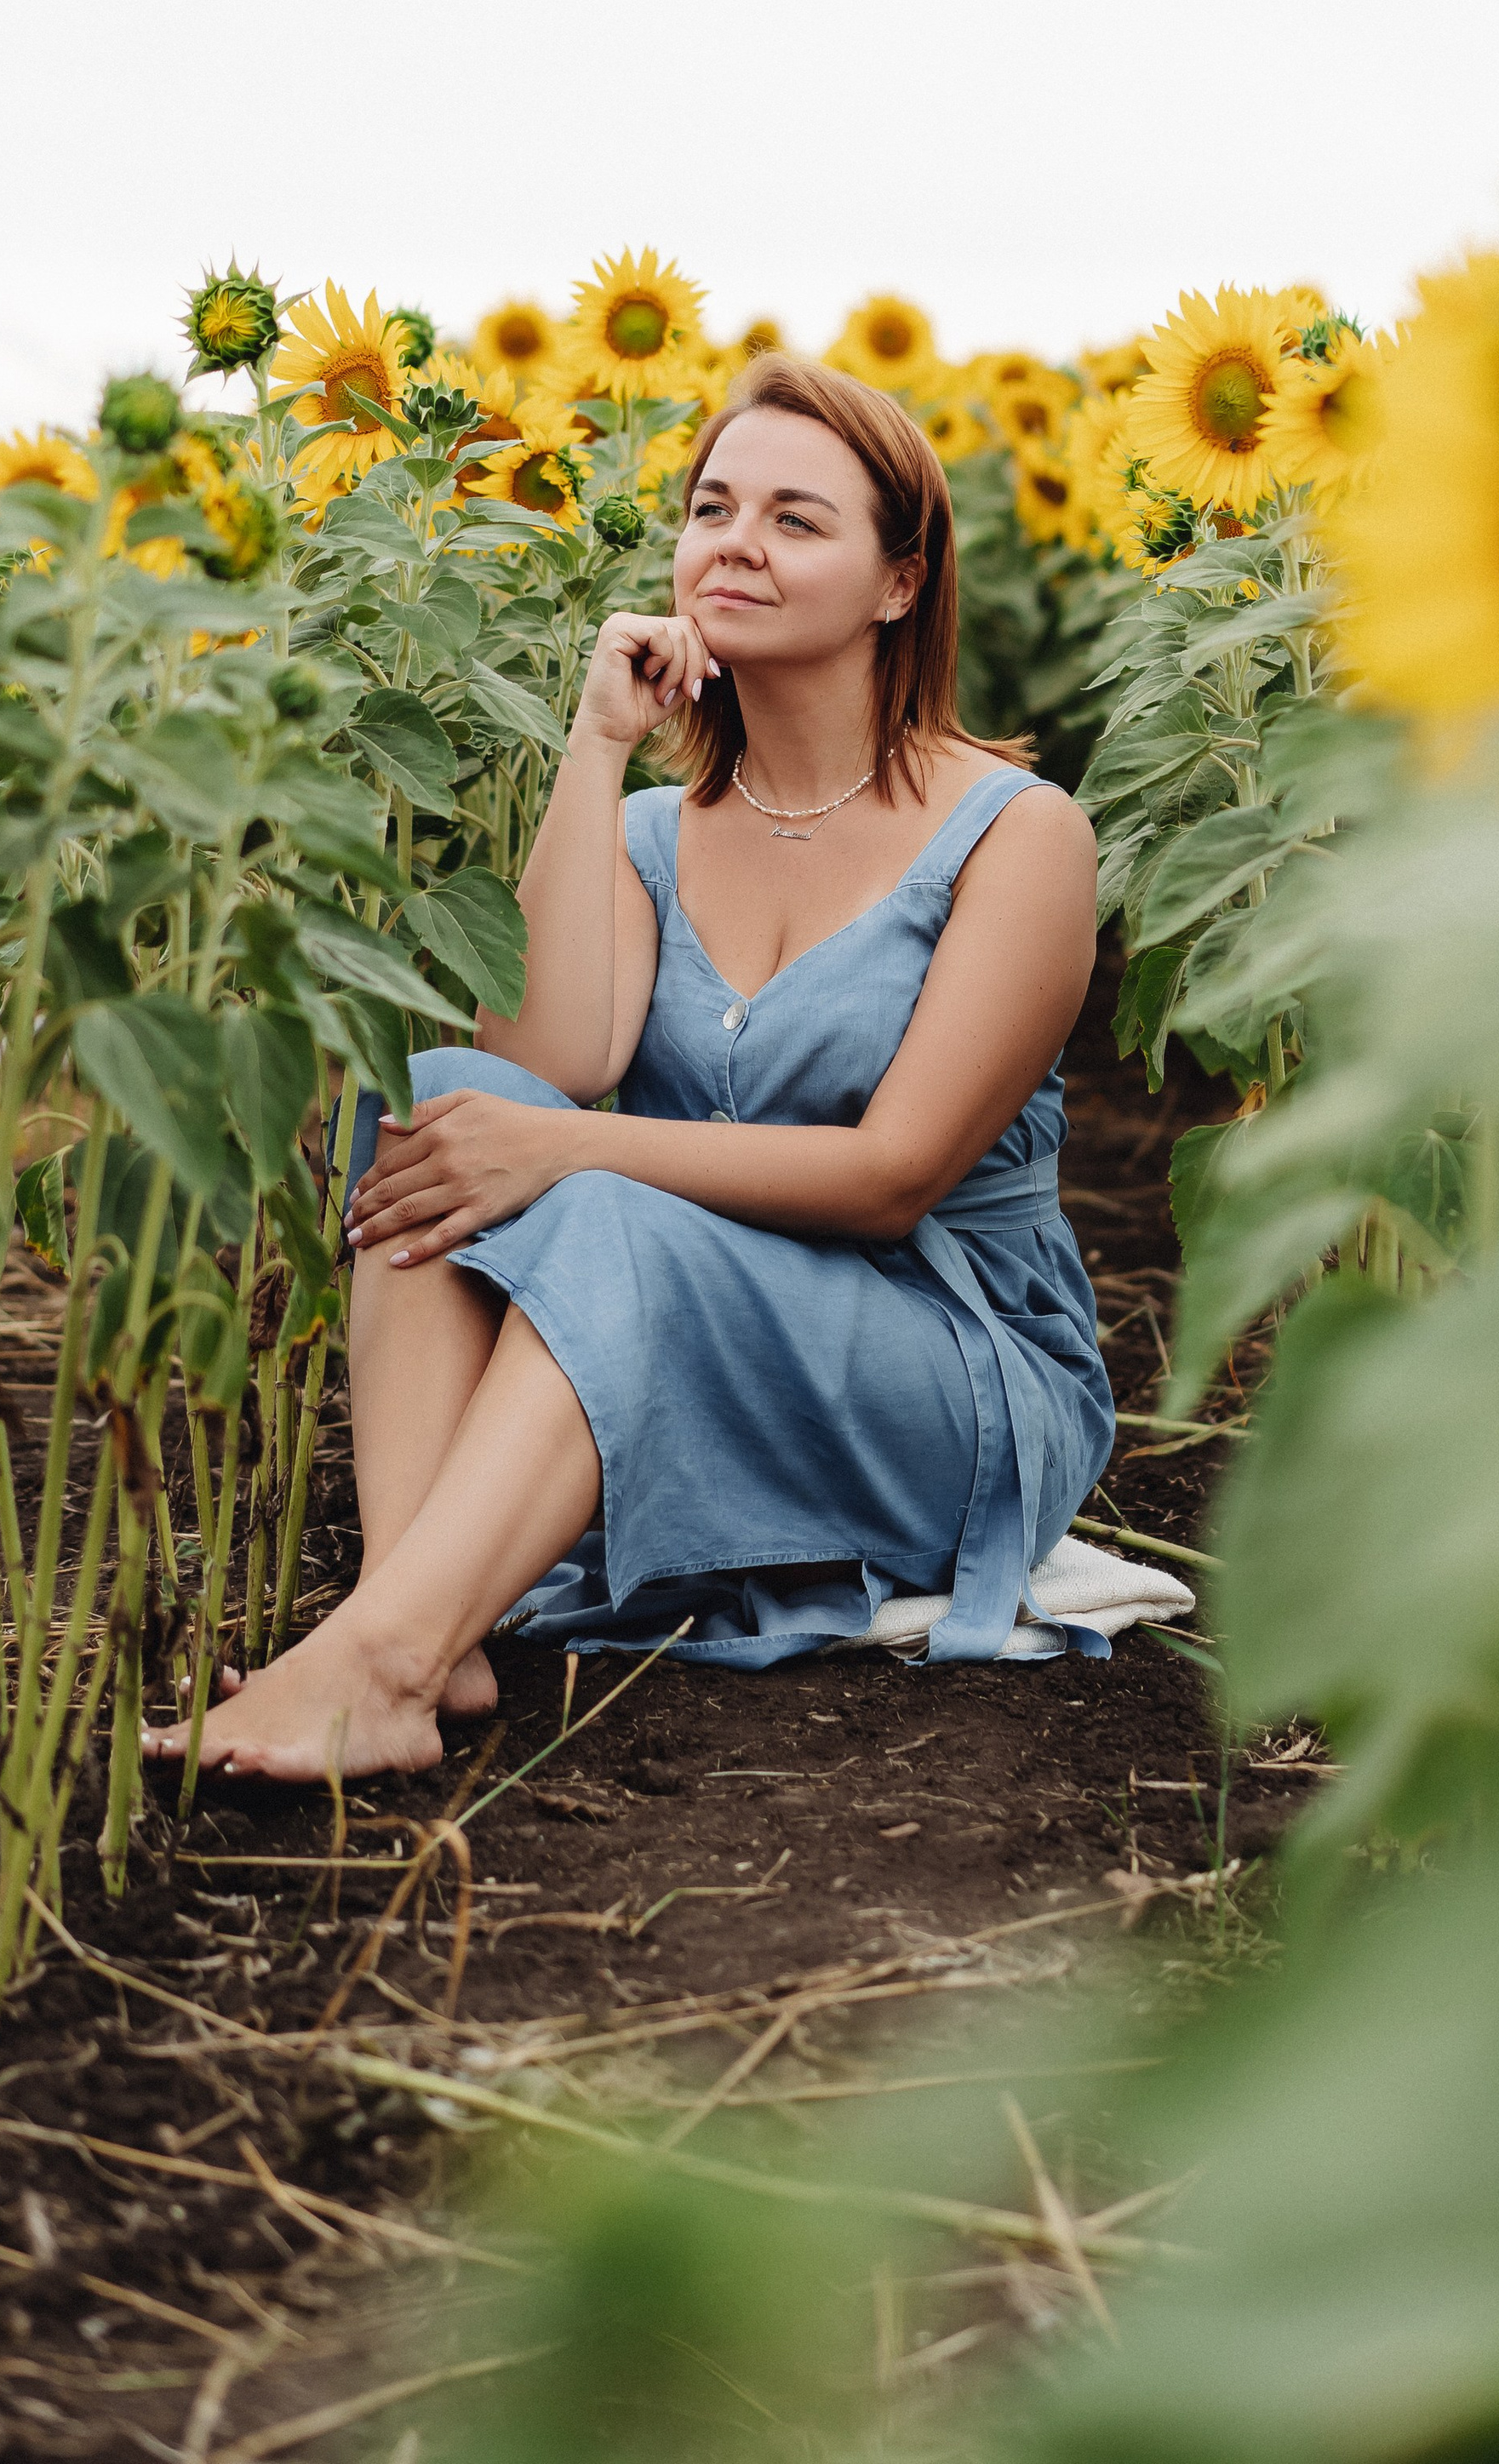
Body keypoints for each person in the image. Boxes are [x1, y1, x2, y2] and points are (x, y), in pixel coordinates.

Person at [146, 353, 1112, 1783]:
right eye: (714, 507)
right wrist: (598, 746)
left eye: (795, 519)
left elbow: (894, 1177)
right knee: (439, 1096)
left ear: (900, 583)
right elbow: (539, 1065)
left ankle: (381, 1663)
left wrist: (579, 1147)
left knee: (594, 1196)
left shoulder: (1019, 835)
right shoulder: (661, 831)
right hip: (711, 1324)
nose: (737, 542)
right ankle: (428, 1626)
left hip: (954, 1372)